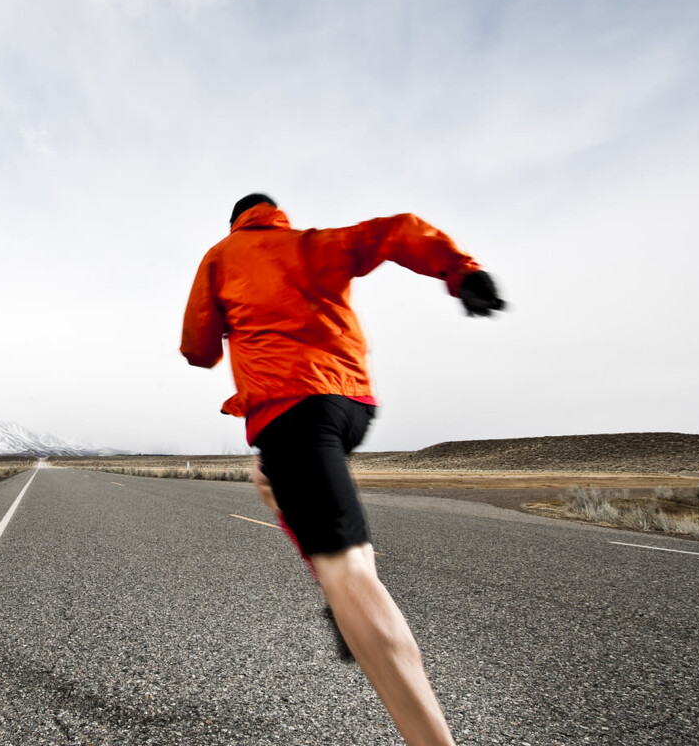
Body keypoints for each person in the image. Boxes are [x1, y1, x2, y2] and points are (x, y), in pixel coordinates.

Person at [181, 193, 504, 746]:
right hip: (350, 405)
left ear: (235, 222)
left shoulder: (221, 257)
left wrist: (231, 328)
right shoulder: (312, 244)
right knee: (267, 480)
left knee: (348, 570)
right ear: (276, 214)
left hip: (291, 411)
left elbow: (197, 348)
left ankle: (423, 724)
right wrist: (462, 272)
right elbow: (397, 230)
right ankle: (343, 597)